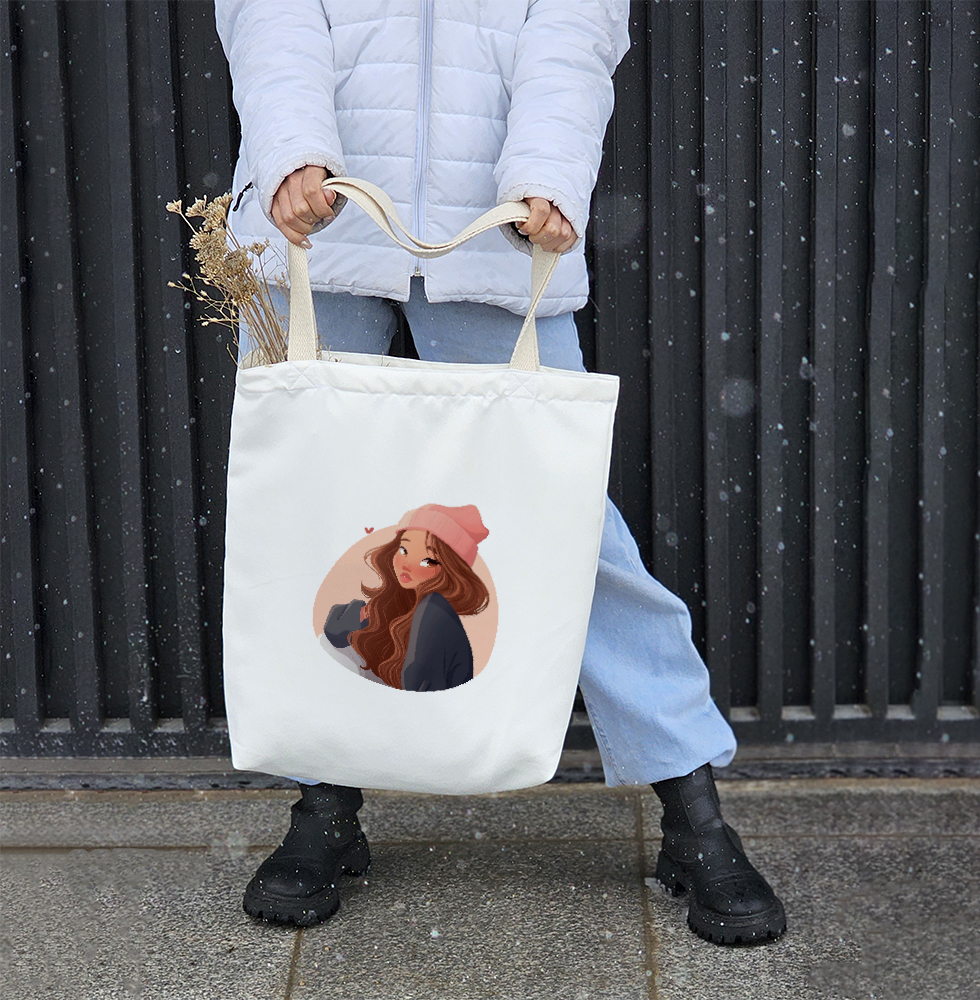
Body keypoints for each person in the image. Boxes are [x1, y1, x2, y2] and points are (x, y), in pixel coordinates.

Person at [217, 0, 786, 945]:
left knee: (569, 531)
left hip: (495, 233)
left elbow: (573, 27)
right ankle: (323, 803)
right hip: (316, 230)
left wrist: (548, 174)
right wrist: (291, 152)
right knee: (312, 525)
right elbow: (272, 15)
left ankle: (693, 811)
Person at [323, 504, 491, 692]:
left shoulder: (434, 610)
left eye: (428, 561)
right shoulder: (405, 603)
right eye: (404, 550)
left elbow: (416, 691)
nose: (407, 564)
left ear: (451, 570)